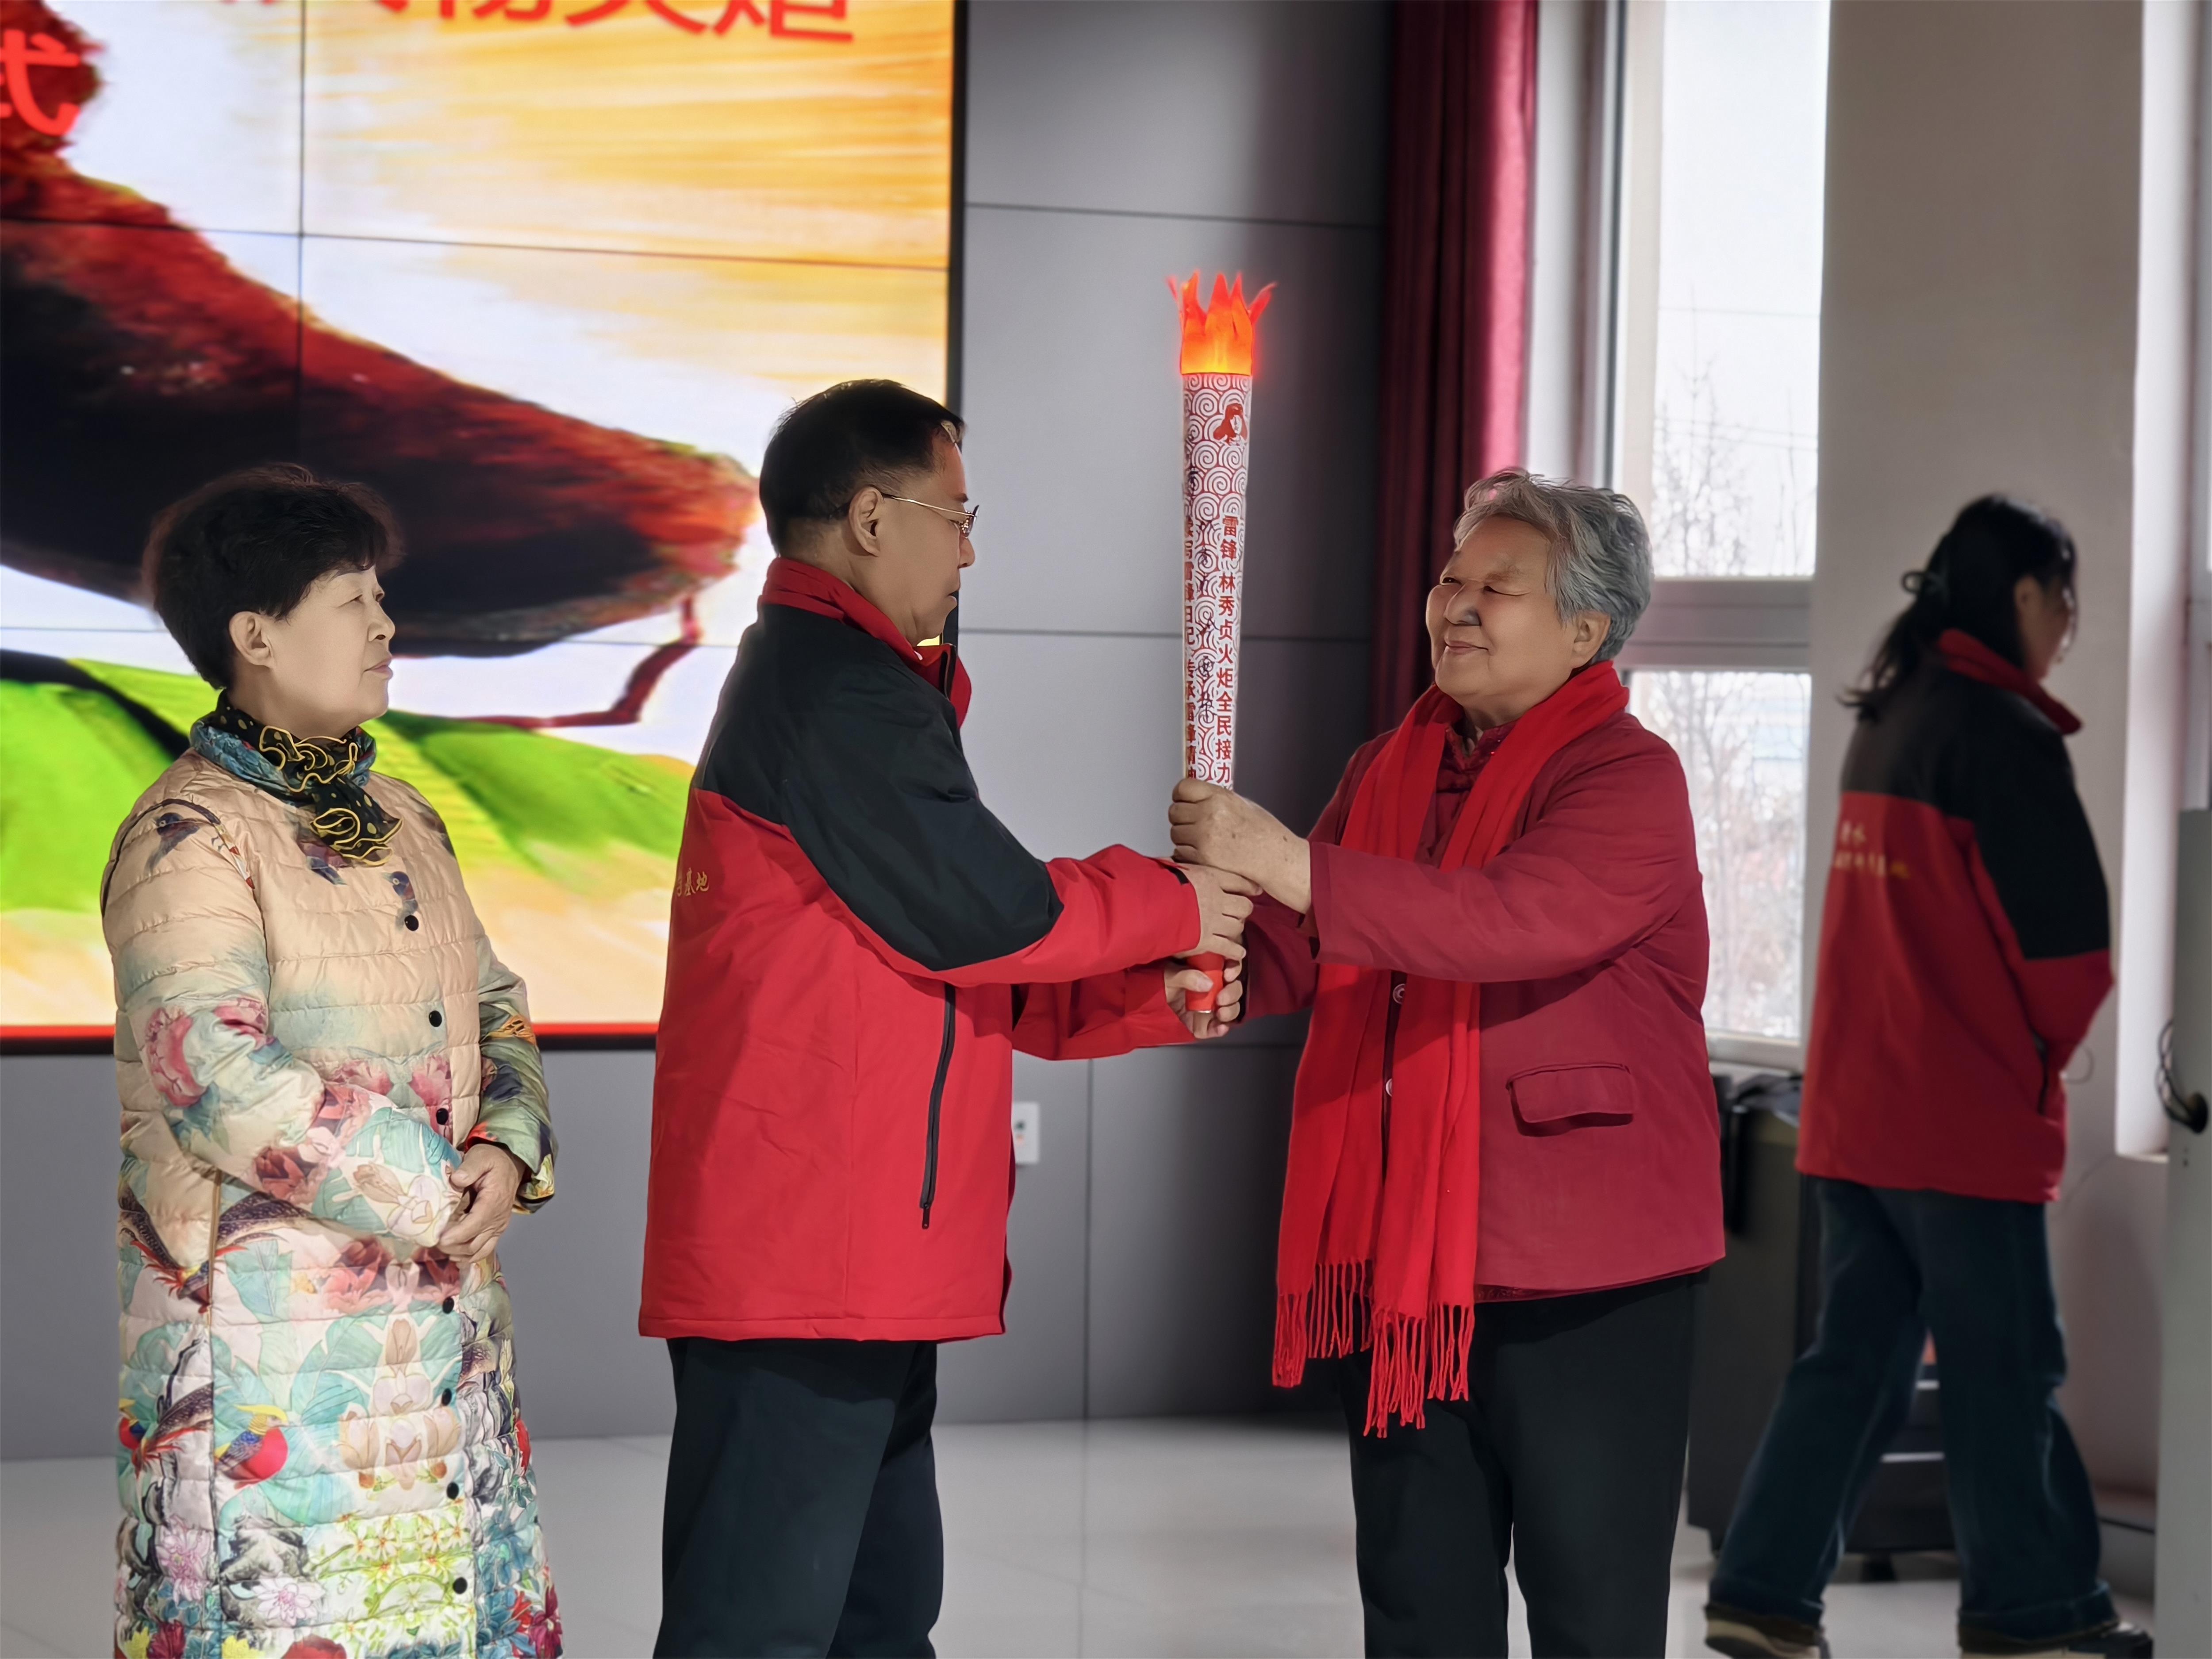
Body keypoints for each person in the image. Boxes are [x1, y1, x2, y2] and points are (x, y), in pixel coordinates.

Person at [640, 379, 1253, 1658]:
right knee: (759, 1629)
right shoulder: (834, 692)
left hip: (858, 1251)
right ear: (873, 518)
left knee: (878, 1620)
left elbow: (953, 966)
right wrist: (1178, 903)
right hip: (811, 1250)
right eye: (957, 515)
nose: (970, 551)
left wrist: (1153, 994)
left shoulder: (865, 687)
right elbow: (993, 918)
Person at [1171, 469, 1720, 1658]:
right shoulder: (1389, 765)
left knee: (1592, 1615)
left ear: (1586, 630)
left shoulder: (1630, 778)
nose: (1455, 605)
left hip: (1585, 1269)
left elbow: (1501, 921)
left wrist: (1282, 860)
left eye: (1497, 587)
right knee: (1420, 1607)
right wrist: (1219, 968)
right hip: (1407, 1257)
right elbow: (1309, 940)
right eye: (1449, 578)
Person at [107, 465, 561, 1659]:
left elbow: (495, 1005)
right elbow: (212, 1072)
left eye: (381, 595)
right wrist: (435, 1192)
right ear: (255, 635)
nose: (385, 624)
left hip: (445, 1320)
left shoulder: (404, 813)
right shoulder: (188, 835)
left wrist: (506, 1149)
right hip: (271, 1346)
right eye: (352, 598)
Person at [1703, 498, 2151, 1659]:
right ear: (2025, 596)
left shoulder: (1895, 714)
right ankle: (2033, 1615)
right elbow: (2070, 963)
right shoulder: (2003, 736)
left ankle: (1761, 1592)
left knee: (1852, 1366)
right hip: (1958, 1126)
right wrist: (2033, 1059)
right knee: (2008, 1367)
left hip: (1858, 1117)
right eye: (2066, 599)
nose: (2071, 624)